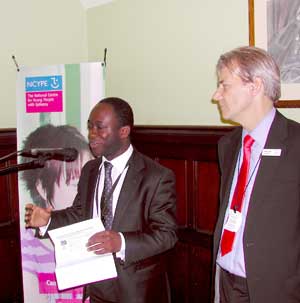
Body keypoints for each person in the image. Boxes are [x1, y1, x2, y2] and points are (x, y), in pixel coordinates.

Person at [24, 97, 178, 303]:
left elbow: (167, 234)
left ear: (124, 131)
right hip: (95, 285)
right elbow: (80, 213)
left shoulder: (156, 177)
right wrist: (48, 220)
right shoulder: (91, 170)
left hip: (135, 290)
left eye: (100, 127)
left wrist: (121, 241)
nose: (91, 135)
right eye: (90, 127)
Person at [212, 46, 300, 302]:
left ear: (255, 86)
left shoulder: (296, 144)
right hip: (225, 281)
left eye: (224, 85)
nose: (216, 95)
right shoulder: (227, 146)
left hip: (276, 290)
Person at [20, 124, 94, 302]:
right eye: (75, 184)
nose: (85, 192)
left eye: (90, 181)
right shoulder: (29, 244)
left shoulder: (98, 231)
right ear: (42, 188)